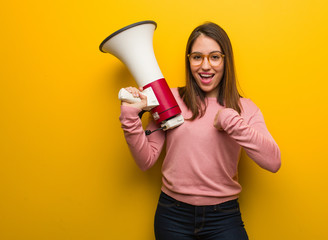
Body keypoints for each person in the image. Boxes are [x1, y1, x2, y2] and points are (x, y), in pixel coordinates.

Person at [119, 22, 281, 240]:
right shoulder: (169, 100)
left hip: (224, 218)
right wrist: (130, 117)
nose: (205, 66)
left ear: (226, 61)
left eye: (214, 57)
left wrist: (231, 120)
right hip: (172, 217)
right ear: (189, 60)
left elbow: (273, 162)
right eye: (197, 57)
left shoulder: (246, 108)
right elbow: (145, 161)